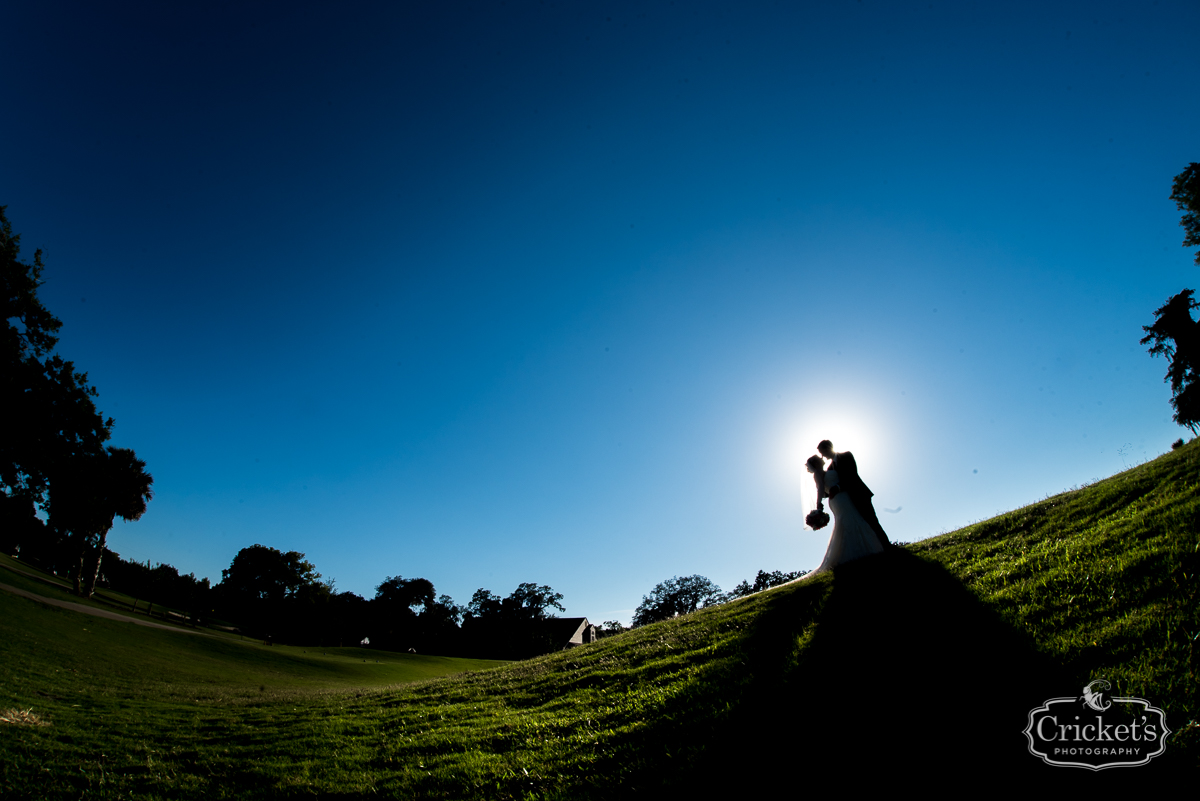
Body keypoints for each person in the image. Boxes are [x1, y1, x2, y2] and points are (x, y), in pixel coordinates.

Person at [805, 454, 884, 573]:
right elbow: (821, 489)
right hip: (838, 499)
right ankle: (855, 552)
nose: (822, 458)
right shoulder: (818, 474)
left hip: (843, 496)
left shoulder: (828, 470)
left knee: (854, 518)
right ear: (816, 463)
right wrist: (819, 505)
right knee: (848, 520)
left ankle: (869, 547)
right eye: (819, 458)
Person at [817, 439, 891, 548]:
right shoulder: (830, 468)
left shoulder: (846, 456)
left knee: (871, 520)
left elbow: (851, 474)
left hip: (858, 493)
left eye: (822, 452)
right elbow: (830, 488)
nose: (822, 456)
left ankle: (887, 546)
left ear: (828, 447)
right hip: (847, 500)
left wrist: (838, 487)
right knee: (860, 523)